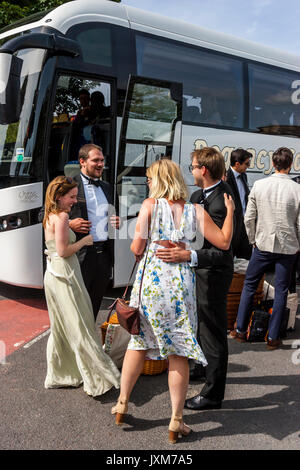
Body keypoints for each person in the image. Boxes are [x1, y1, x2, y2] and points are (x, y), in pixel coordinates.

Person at [110, 158, 234, 443]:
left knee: (139, 342)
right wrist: (229, 212)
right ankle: (176, 420)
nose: (148, 183)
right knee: (179, 352)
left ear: (160, 180)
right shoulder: (196, 209)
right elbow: (225, 242)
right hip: (181, 288)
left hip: (152, 285)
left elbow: (137, 247)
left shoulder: (150, 206)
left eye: (151, 178)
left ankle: (123, 403)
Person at [156, 147, 235, 411]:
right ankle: (203, 368)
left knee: (213, 334)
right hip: (197, 272)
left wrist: (188, 255)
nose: (190, 171)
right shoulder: (197, 195)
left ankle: (213, 395)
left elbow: (223, 250)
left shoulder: (223, 199)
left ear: (204, 169)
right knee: (199, 326)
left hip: (213, 274)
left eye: (192, 167)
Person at [43, 176, 120, 396]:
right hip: (64, 273)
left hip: (54, 273)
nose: (75, 201)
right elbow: (63, 251)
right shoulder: (63, 216)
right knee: (80, 325)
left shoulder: (51, 215)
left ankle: (63, 372)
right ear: (59, 196)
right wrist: (84, 242)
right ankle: (96, 376)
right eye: (72, 197)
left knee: (61, 325)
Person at [231, 147, 300, 349]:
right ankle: (273, 337)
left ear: (272, 164)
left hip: (262, 245)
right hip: (287, 248)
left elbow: (249, 218)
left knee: (249, 286)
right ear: (290, 165)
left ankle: (241, 330)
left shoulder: (259, 185)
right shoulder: (297, 189)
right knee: (281, 291)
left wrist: (253, 239)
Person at [68, 143, 120, 321]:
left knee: (95, 305)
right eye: (96, 160)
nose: (100, 164)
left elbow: (114, 216)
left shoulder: (107, 187)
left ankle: (89, 344)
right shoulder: (68, 184)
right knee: (75, 305)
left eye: (102, 160)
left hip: (104, 255)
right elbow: (43, 214)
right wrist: (69, 223)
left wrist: (116, 221)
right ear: (82, 161)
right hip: (81, 256)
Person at [226, 148, 252, 259]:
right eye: (247, 163)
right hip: (233, 222)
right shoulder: (226, 178)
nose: (248, 166)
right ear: (237, 164)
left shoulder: (243, 176)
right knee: (231, 253)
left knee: (245, 255)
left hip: (244, 221)